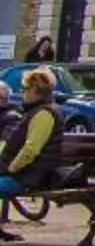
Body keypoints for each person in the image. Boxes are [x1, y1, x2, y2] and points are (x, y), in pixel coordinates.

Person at [0, 66, 64, 236]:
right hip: (21, 173)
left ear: (37, 90)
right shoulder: (35, 111)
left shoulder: (44, 114)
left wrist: (10, 169)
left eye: (26, 88)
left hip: (27, 176)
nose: (24, 93)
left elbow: (31, 150)